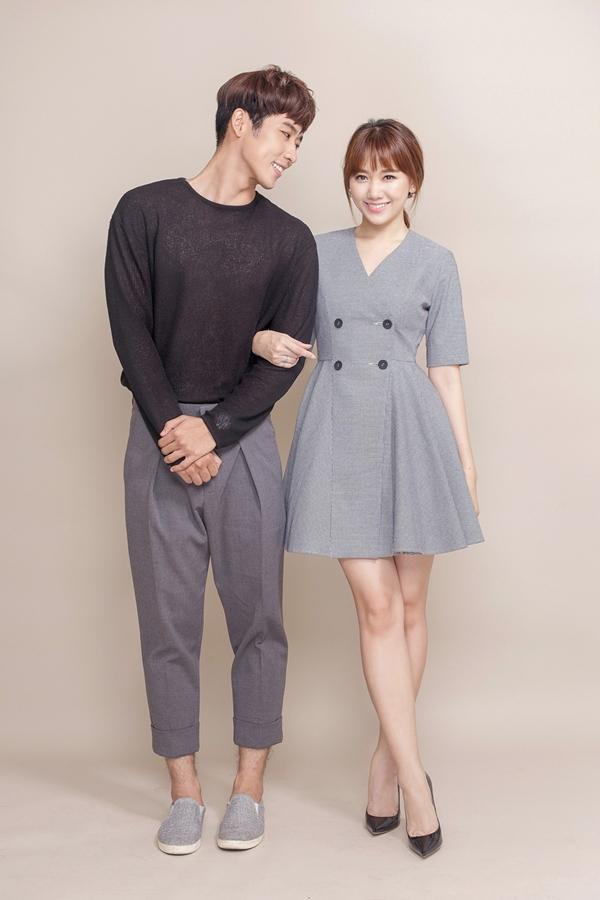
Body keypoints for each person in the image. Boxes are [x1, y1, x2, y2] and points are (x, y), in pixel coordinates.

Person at [251, 118, 485, 859]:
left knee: (412, 605)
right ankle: (416, 782)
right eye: (360, 175)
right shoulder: (313, 251)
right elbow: (266, 326)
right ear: (347, 181)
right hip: (339, 428)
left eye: (389, 175)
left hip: (414, 434)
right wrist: (261, 339)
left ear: (413, 182)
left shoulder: (437, 262)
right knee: (377, 605)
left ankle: (385, 763)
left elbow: (445, 370)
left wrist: (465, 464)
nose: (373, 190)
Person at [103, 64, 318, 854]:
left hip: (245, 444)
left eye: (301, 140)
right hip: (158, 438)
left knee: (259, 619)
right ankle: (185, 792)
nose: (292, 152)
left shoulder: (290, 240)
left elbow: (284, 360)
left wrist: (215, 429)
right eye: (286, 133)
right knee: (167, 623)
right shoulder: (144, 212)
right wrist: (174, 427)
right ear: (240, 122)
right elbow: (131, 333)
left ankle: (249, 789)